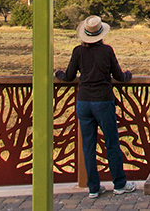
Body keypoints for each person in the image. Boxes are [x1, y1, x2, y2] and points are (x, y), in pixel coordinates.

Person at [55, 15, 136, 199]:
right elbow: (119, 75)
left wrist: (57, 73)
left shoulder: (78, 52)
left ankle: (93, 188)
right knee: (112, 143)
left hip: (83, 102)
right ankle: (119, 184)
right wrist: (128, 75)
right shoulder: (107, 51)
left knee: (88, 146)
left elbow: (68, 76)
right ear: (101, 34)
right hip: (103, 102)